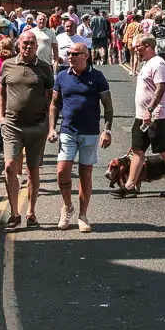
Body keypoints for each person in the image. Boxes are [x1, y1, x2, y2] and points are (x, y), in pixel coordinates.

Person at [48, 41, 113, 232]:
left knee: (85, 173)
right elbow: (54, 104)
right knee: (62, 170)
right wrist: (52, 128)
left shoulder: (97, 76)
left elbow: (108, 106)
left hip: (90, 132)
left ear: (86, 55)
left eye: (75, 54)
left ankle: (83, 215)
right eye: (69, 53)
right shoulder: (61, 76)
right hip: (67, 130)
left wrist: (107, 130)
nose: (70, 57)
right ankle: (67, 206)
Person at [112, 34, 165, 199]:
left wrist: (150, 109)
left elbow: (160, 88)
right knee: (137, 149)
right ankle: (130, 185)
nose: (135, 49)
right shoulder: (146, 63)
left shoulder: (158, 63)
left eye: (137, 46)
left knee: (163, 149)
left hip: (155, 115)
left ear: (147, 46)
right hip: (142, 116)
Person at [0, 31, 55, 230]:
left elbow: (52, 98)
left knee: (33, 170)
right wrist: (1, 116)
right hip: (12, 125)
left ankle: (31, 212)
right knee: (9, 166)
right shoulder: (7, 65)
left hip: (36, 127)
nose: (28, 46)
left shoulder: (44, 68)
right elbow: (1, 92)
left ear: (36, 46)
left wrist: (49, 124)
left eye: (31, 43)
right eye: (24, 43)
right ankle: (14, 213)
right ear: (18, 44)